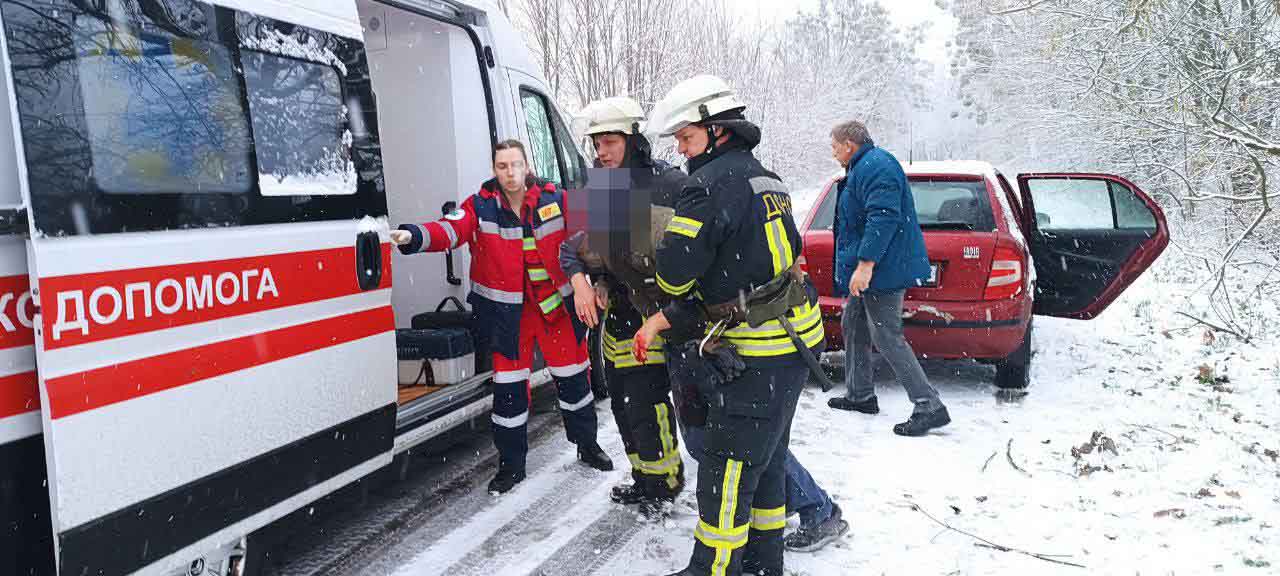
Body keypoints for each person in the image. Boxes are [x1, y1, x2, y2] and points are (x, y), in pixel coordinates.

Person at [632, 75, 826, 576]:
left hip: (756, 353)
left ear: (718, 132)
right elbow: (771, 261)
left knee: (726, 471)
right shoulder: (767, 178)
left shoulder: (707, 186)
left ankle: (711, 569)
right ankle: (764, 563)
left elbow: (674, 276)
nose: (680, 148)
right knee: (763, 469)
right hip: (793, 345)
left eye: (687, 137)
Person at [390, 140, 613, 495]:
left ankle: (587, 445)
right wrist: (413, 236)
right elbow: (451, 230)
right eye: (502, 166)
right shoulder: (479, 206)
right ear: (494, 169)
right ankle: (511, 466)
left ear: (527, 166)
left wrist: (599, 279)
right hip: (508, 318)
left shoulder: (555, 199)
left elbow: (596, 233)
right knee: (509, 395)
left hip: (555, 309)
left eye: (515, 165)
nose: (510, 173)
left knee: (575, 382)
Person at [560, 96, 689, 511]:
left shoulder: (666, 184)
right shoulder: (606, 185)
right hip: (619, 315)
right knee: (622, 404)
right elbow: (597, 250)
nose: (601, 152)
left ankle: (664, 482)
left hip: (656, 317)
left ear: (633, 138)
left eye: (610, 141)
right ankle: (643, 476)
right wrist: (592, 280)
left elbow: (679, 257)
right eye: (596, 144)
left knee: (647, 404)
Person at [824, 120, 951, 437]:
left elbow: (884, 216)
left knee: (886, 336)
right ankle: (860, 395)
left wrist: (866, 264)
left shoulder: (876, 166)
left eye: (834, 146)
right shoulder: (862, 166)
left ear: (849, 145)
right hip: (872, 266)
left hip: (883, 268)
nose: (833, 153)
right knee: (853, 324)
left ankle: (929, 406)